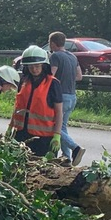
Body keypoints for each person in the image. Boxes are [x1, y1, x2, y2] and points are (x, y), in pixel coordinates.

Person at [9, 45, 64, 157]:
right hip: (21, 134)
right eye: (31, 67)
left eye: (37, 66)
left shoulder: (53, 84)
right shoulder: (24, 81)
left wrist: (57, 134)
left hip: (44, 138)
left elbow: (59, 112)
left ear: (44, 65)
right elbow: (17, 106)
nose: (34, 69)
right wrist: (10, 126)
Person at [48, 32, 85, 165]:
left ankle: (75, 148)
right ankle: (66, 157)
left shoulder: (55, 56)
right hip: (72, 96)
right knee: (62, 127)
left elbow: (51, 76)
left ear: (53, 43)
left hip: (60, 96)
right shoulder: (73, 56)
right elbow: (79, 76)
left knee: (54, 125)